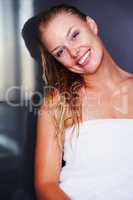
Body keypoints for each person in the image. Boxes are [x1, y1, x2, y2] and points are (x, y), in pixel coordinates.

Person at [22, 4, 133, 200]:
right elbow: (45, 184)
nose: (74, 52)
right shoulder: (56, 102)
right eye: (60, 52)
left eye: (74, 35)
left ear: (91, 25)